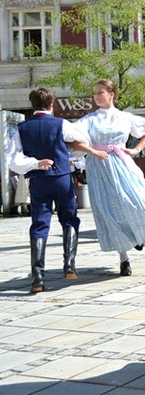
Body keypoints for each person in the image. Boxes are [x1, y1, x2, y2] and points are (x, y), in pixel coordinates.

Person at [73, 80, 145, 277]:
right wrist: (92, 151)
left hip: (122, 163)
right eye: (94, 93)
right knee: (110, 211)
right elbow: (72, 140)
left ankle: (142, 237)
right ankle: (124, 259)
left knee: (139, 201)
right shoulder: (89, 120)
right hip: (99, 168)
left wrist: (136, 149)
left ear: (112, 94)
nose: (96, 96)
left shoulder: (124, 117)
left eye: (100, 92)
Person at [6, 88, 89, 292]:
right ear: (52, 105)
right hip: (61, 176)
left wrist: (35, 164)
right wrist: (67, 152)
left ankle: (38, 278)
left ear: (32, 105)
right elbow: (84, 140)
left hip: (38, 179)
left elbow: (12, 159)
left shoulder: (22, 128)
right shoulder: (61, 124)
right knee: (69, 219)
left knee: (39, 224)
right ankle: (69, 267)